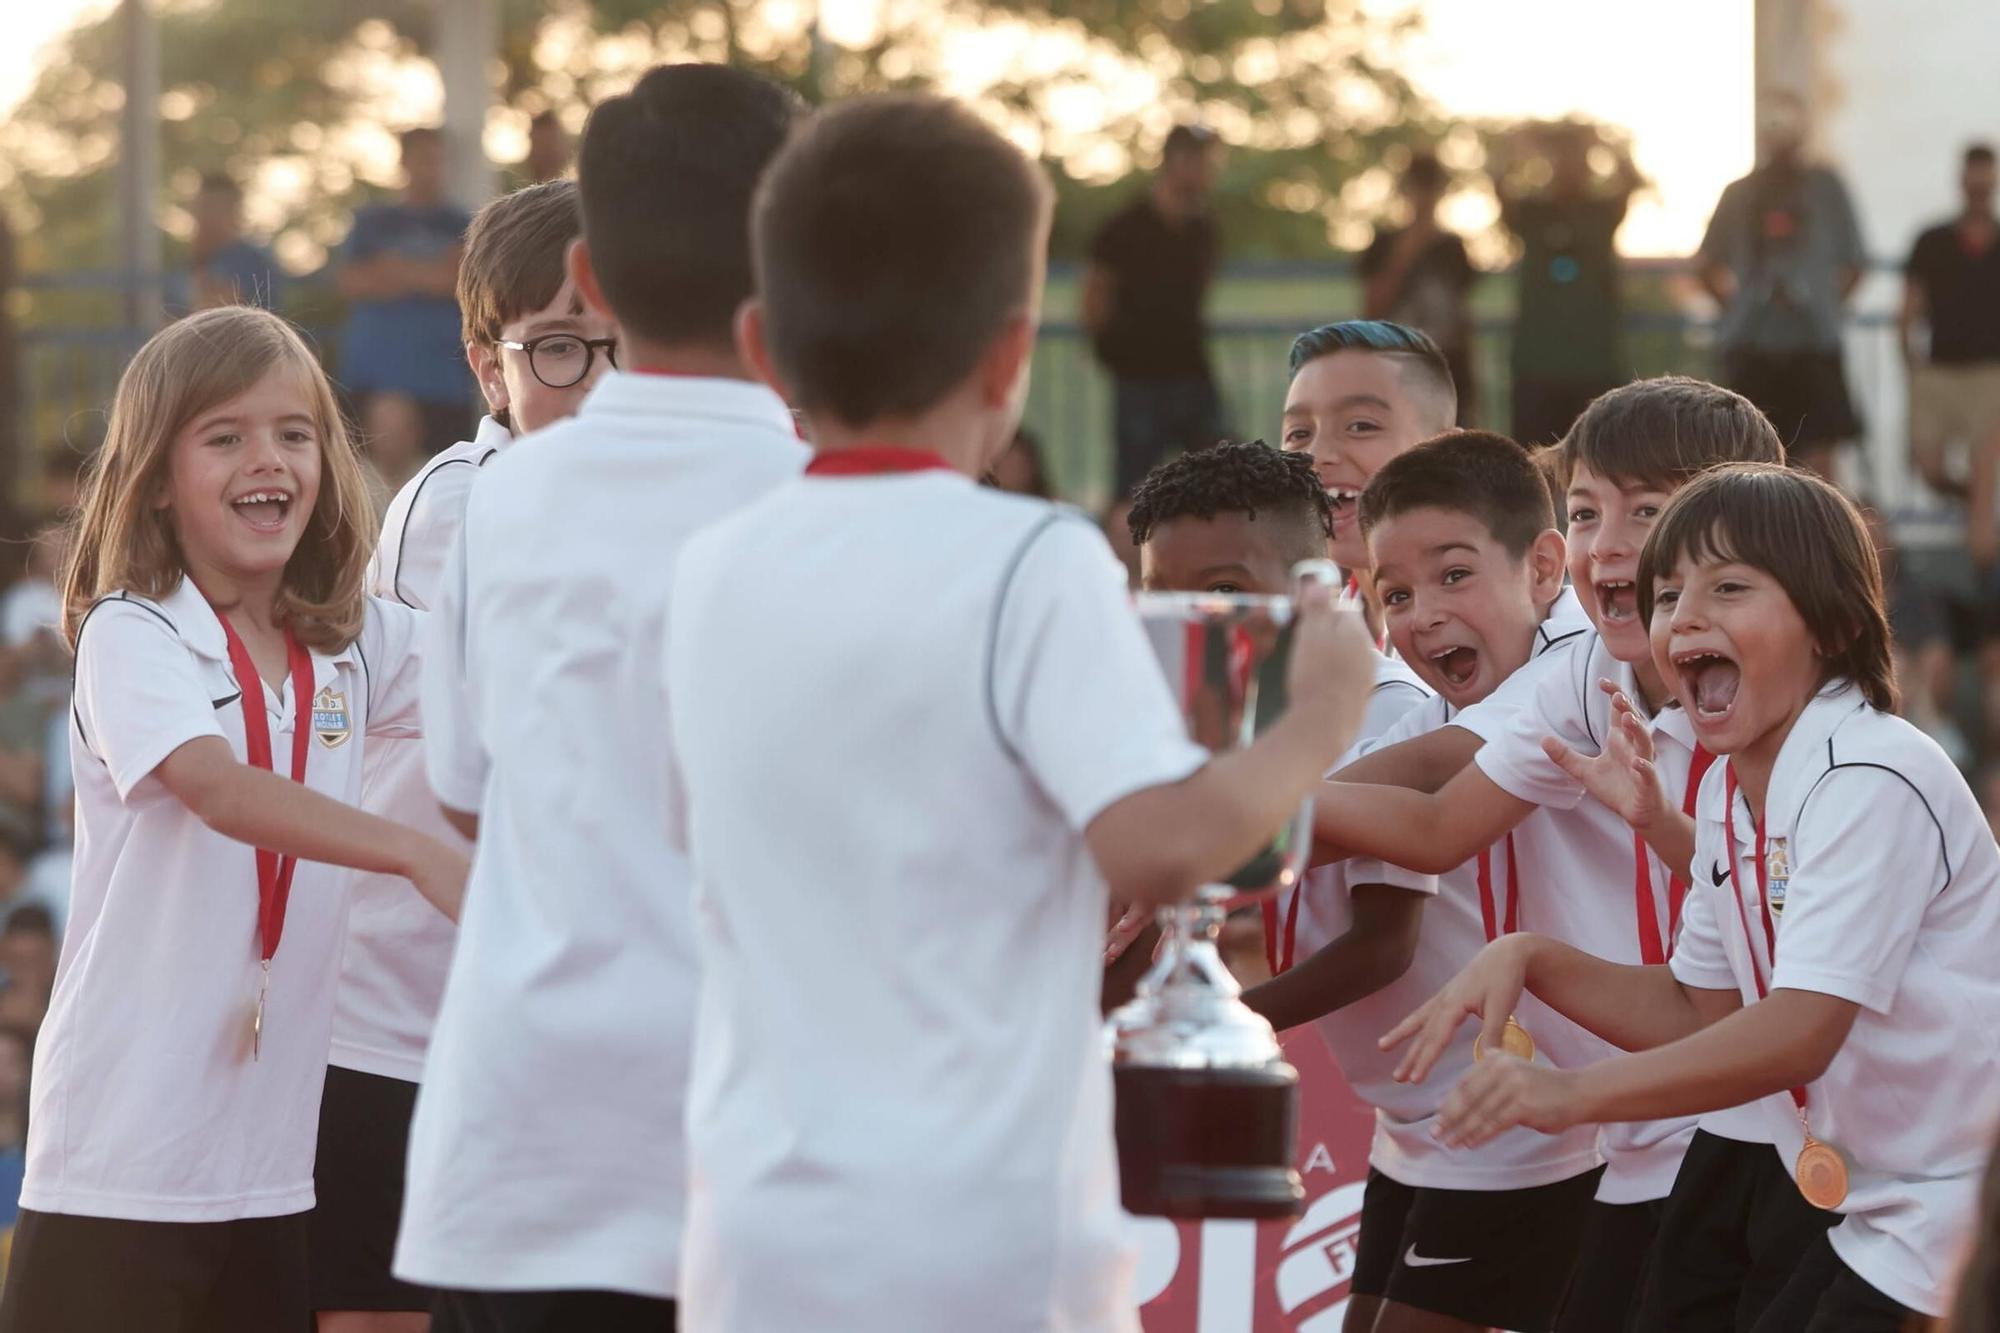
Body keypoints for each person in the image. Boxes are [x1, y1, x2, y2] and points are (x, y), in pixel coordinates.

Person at [661, 92, 1377, 1333]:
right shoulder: (1031, 561)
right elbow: (1161, 846)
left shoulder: (709, 567)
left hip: (753, 1226)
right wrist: (1315, 714)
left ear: (763, 345)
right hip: (975, 1237)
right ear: (1007, 356)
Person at [1391, 463, 2000, 1330]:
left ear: (1832, 623)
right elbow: (1698, 1008)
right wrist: (1529, 958)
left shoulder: (1868, 775)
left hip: (1960, 1212)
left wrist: (1576, 1095)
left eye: (1730, 587)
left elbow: (1798, 1032)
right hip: (1878, 1214)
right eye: (1670, 595)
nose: (1688, 617)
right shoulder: (1725, 792)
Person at [394, 64, 803, 1333]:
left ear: (605, 281)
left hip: (527, 1141)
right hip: (772, 1151)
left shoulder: (504, 497)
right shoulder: (847, 496)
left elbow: (461, 799)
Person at [0, 305, 466, 1333]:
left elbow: (512, 683)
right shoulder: (135, 630)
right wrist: (413, 854)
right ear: (157, 478)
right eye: (226, 436)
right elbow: (216, 787)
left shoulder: (352, 640)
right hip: (121, 1163)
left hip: (265, 1171)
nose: (271, 460)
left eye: (294, 433)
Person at [1307, 378, 1789, 1333]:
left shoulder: (1820, 727)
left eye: (1648, 510)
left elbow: (1787, 1007)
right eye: (1584, 509)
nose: (1607, 543)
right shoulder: (1585, 673)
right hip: (1642, 1136)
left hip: (1792, 1145)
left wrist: (1565, 1087)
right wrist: (1231, 810)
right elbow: (1441, 823)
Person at [312, 178, 613, 1333]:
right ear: (487, 368)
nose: (598, 384)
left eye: (625, 348)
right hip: (391, 1022)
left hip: (517, 1032)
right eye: (562, 352)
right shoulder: (459, 498)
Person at [1263, 431, 1601, 1333]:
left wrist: (1215, 820)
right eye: (1397, 593)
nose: (1423, 613)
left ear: (1542, 567)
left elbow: (1429, 813)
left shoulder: (1579, 665)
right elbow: (1358, 798)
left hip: (1549, 1128)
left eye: (1454, 576)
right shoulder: (1438, 698)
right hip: (1442, 1124)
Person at [1102, 440, 1428, 1003]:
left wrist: (1228, 1031)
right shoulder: (1181, 721)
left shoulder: (1388, 706)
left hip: (1431, 1075)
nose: (1195, 620)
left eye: (1225, 591)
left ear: (1314, 586)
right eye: (1165, 596)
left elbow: (1385, 944)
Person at [1697, 92, 1866, 482]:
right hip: (1752, 345)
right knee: (1744, 454)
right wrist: (1736, 307)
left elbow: (1855, 263)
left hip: (1814, 344)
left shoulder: (1827, 188)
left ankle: (1822, 538)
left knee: (1821, 461)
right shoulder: (1739, 193)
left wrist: (1824, 306)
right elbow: (1707, 263)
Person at [1277, 319, 1458, 637]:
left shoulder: (1496, 631)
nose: (1315, 456)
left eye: (1360, 426)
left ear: (1444, 448)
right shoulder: (1310, 633)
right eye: (1299, 433)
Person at [1085, 123, 1225, 497]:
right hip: (1139, 376)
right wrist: (1111, 354)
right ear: (1176, 161)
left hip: (1191, 370)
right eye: (1202, 161)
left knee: (1225, 472)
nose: (1209, 170)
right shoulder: (1124, 227)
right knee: (1134, 485)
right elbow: (1095, 296)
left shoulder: (1203, 229)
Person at [335, 127, 476, 490]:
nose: (429, 167)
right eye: (421, 157)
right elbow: (352, 281)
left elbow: (459, 281)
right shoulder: (372, 222)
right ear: (404, 161)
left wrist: (395, 270)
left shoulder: (461, 223)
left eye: (436, 158)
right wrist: (429, 274)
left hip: (441, 380)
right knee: (368, 487)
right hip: (375, 371)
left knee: (447, 485)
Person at [1491, 121, 1642, 446]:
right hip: (1537, 364)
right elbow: (1498, 183)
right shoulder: (1531, 211)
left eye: (1578, 157)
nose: (1569, 166)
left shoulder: (1601, 211)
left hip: (1594, 363)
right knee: (1534, 464)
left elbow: (1631, 179)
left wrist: (1604, 141)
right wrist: (1520, 147)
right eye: (1561, 158)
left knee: (1599, 457)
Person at [1361, 154, 1477, 426]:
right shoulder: (1385, 242)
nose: (1424, 198)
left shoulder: (1452, 246)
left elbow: (1461, 314)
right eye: (1418, 188)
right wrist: (1405, 253)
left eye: (1431, 188)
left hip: (1448, 365)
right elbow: (1371, 307)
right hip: (1397, 363)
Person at [170, 172, 285, 315]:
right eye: (198, 207)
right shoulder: (189, 262)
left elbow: (218, 316)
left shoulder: (250, 261)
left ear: (232, 211)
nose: (201, 216)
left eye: (209, 207)